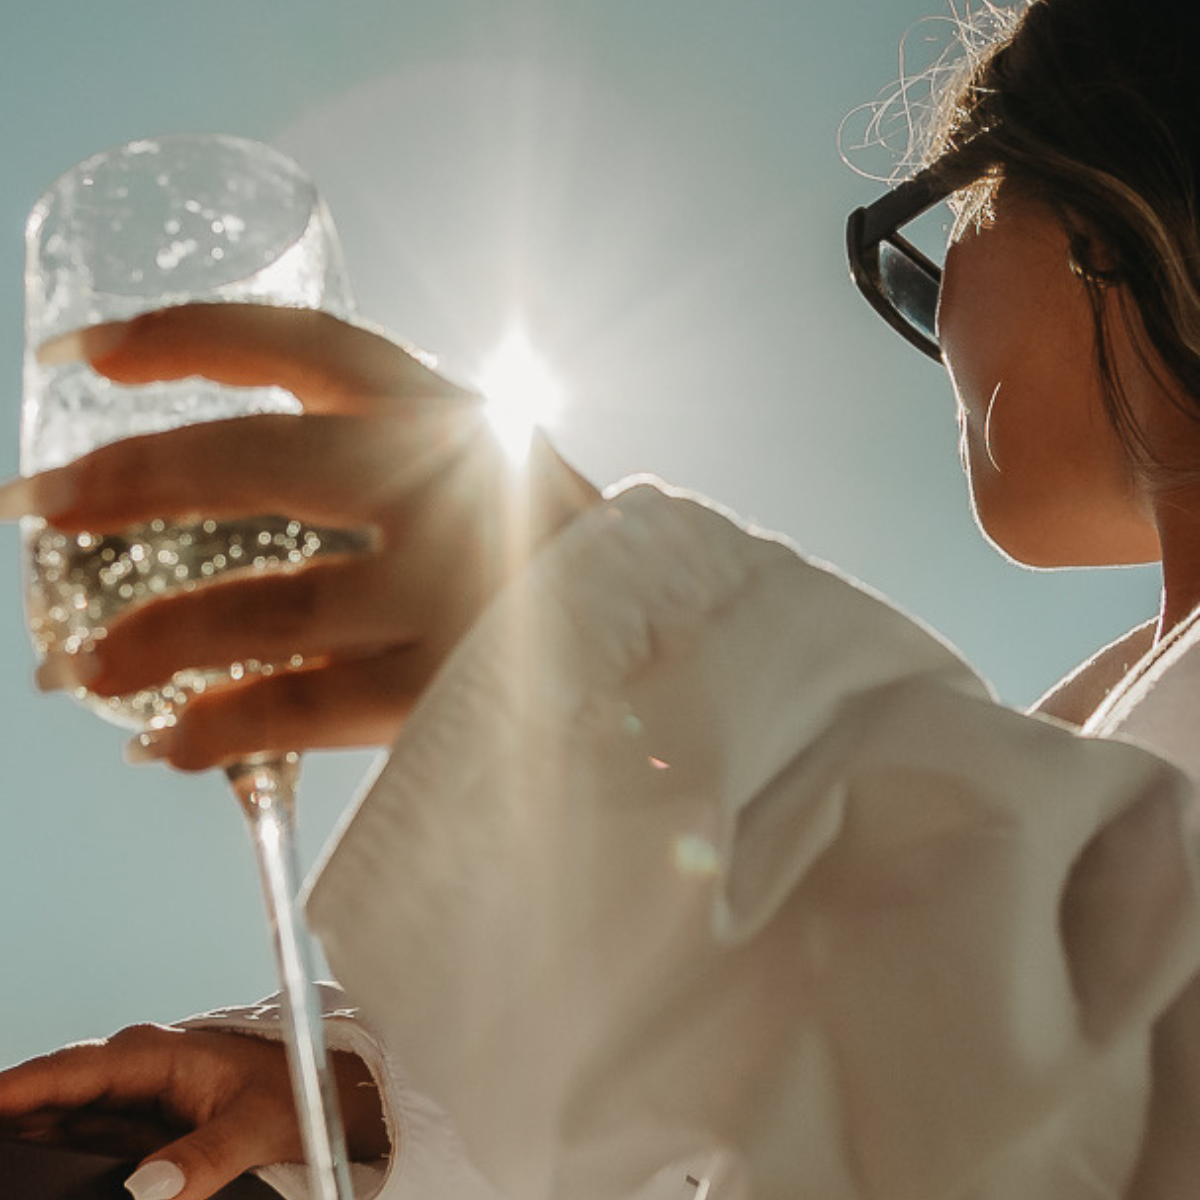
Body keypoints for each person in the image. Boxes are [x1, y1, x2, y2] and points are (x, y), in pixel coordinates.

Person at [4, 0, 1200, 1196]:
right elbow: (888, 1078)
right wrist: (370, 1098)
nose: (936, 320)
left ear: (1117, 188)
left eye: (956, 217)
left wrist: (611, 621)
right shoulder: (1089, 752)